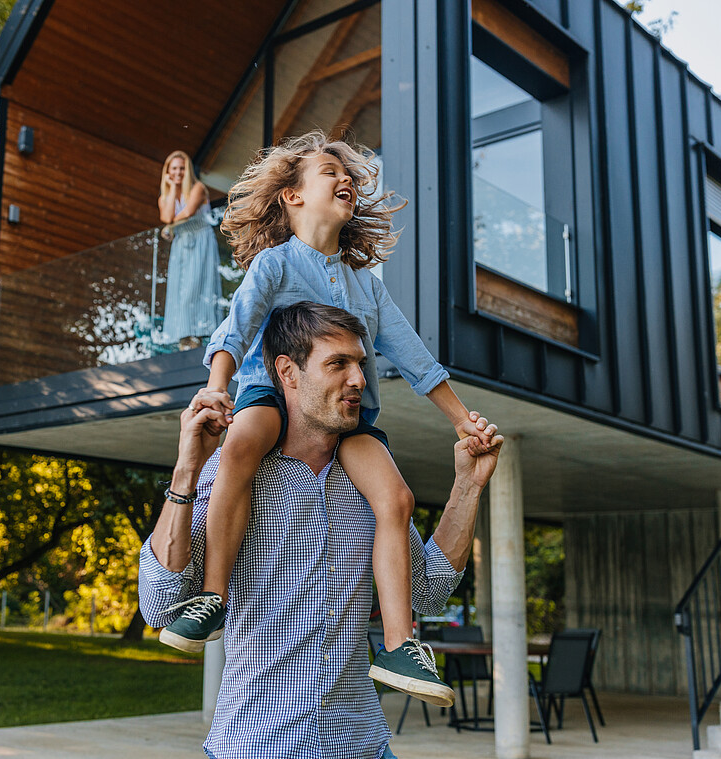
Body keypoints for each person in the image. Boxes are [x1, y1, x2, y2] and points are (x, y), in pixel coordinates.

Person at [156, 132, 496, 707]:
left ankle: (397, 643)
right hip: (266, 395)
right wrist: (217, 390)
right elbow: (234, 330)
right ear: (291, 196)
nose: (347, 180)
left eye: (351, 176)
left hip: (352, 417)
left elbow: (415, 356)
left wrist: (463, 421)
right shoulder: (273, 265)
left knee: (397, 499)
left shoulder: (366, 285)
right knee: (240, 447)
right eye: (328, 171)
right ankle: (211, 596)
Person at [139, 301, 503, 759]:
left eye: (360, 364)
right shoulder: (235, 476)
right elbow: (159, 605)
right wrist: (186, 470)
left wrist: (467, 486)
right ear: (288, 372)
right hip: (256, 745)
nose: (359, 380)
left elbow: (427, 593)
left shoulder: (373, 487)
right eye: (338, 364)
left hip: (364, 744)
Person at [158, 150, 223, 351]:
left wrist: (169, 227)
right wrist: (171, 188)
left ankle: (199, 334)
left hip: (200, 239)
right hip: (181, 244)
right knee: (179, 289)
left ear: (188, 170)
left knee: (198, 286)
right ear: (168, 172)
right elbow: (167, 217)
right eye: (174, 169)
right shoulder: (165, 197)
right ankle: (184, 338)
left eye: (182, 168)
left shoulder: (198, 188)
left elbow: (188, 212)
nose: (178, 172)